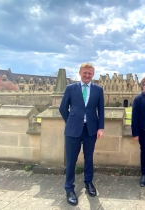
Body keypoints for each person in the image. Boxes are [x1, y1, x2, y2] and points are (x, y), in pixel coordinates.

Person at [59, 63, 104, 206]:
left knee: (89, 158)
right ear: (80, 73)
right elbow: (63, 108)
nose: (87, 75)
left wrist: (100, 128)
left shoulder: (98, 90)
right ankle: (69, 188)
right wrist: (71, 121)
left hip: (90, 129)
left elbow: (101, 110)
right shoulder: (70, 88)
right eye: (85, 73)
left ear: (93, 75)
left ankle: (88, 183)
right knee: (71, 160)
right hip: (73, 130)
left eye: (90, 73)